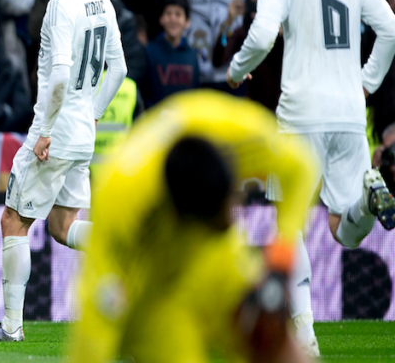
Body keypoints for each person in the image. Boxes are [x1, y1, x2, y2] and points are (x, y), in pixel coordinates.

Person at [227, 0, 395, 357]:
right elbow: (388, 29)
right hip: (347, 111)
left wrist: (238, 71)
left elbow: (260, 38)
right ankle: (369, 197)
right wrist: (366, 82)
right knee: (345, 229)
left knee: (290, 224)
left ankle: (305, 337)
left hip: (301, 113)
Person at [69, 91, 319, 363]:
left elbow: (302, 168)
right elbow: (97, 317)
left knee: (269, 334)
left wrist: (279, 265)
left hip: (217, 260)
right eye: (219, 220)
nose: (233, 220)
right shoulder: (120, 200)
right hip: (159, 293)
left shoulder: (229, 130)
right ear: (182, 216)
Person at [0, 0, 126, 342]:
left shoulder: (61, 6)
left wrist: (45, 132)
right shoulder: (102, 1)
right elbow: (118, 69)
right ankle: (122, 246)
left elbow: (59, 75)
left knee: (12, 222)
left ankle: (11, 327)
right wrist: (91, 111)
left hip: (54, 133)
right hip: (82, 136)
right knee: (62, 227)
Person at [141, 0, 199, 108]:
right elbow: (144, 91)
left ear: (187, 21)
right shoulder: (149, 52)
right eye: (168, 14)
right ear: (161, 19)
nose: (173, 19)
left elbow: (195, 92)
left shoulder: (192, 56)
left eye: (178, 14)